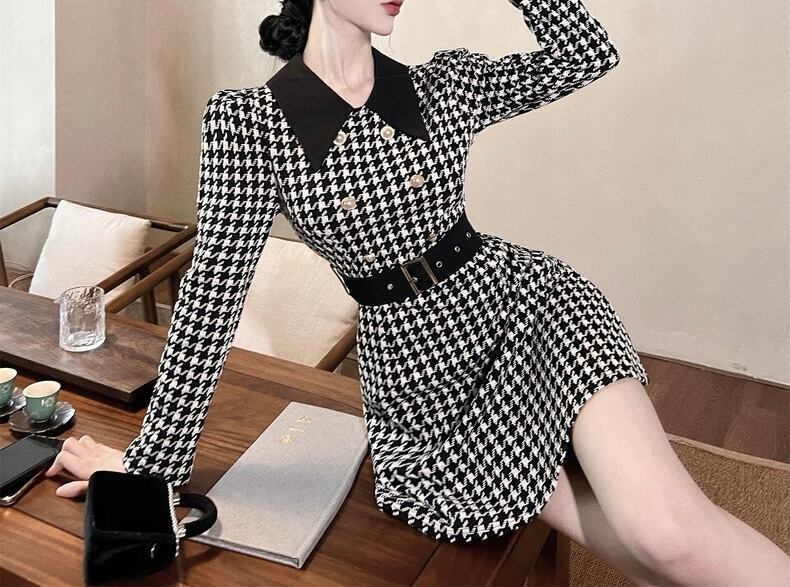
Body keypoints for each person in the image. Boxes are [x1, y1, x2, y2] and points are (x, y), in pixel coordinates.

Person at [45, 0, 789, 583]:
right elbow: (210, 305)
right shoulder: (251, 123)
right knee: (636, 542)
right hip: (418, 384)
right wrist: (148, 474)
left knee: (668, 533)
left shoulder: (442, 84)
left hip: (528, 313)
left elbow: (586, 52)